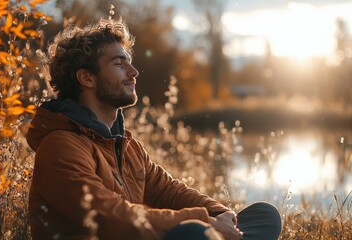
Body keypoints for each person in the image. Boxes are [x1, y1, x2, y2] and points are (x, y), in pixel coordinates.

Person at [27, 17, 282, 240]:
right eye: (119, 64)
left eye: (130, 62)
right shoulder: (60, 146)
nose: (134, 72)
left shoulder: (126, 145)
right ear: (87, 78)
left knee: (264, 215)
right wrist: (206, 222)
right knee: (193, 233)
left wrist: (220, 213)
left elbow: (170, 191)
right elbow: (112, 217)